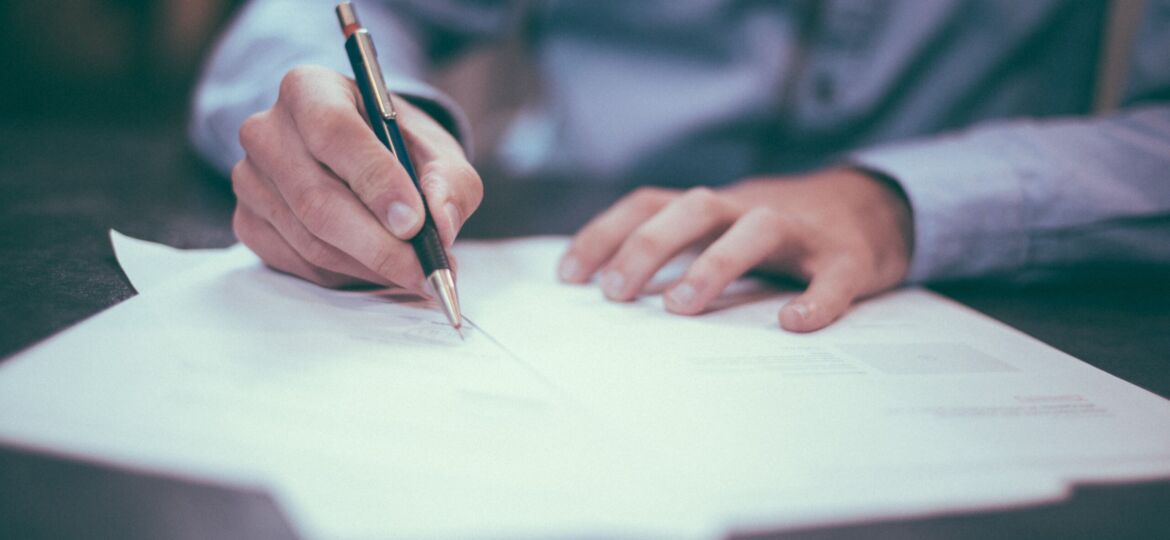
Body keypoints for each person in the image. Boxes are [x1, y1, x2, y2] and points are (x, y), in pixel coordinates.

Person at [190, 0, 1170, 332]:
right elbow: (316, 16)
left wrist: (898, 203)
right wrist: (348, 123)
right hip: (568, 257)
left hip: (974, 286)